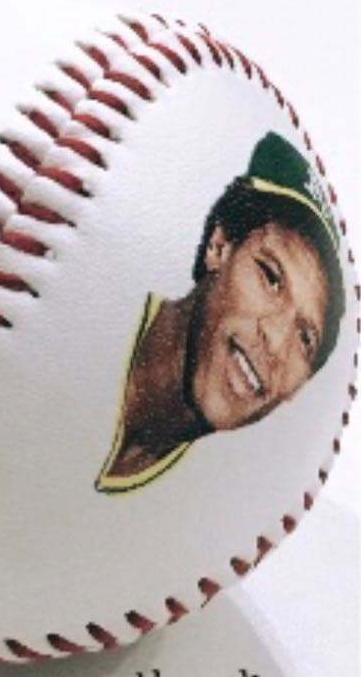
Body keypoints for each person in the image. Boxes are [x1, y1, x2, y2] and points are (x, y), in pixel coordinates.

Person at [96, 131, 345, 494]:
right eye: (271, 277)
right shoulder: (92, 323)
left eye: (306, 338)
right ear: (219, 247)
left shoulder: (219, 497)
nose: (277, 342)